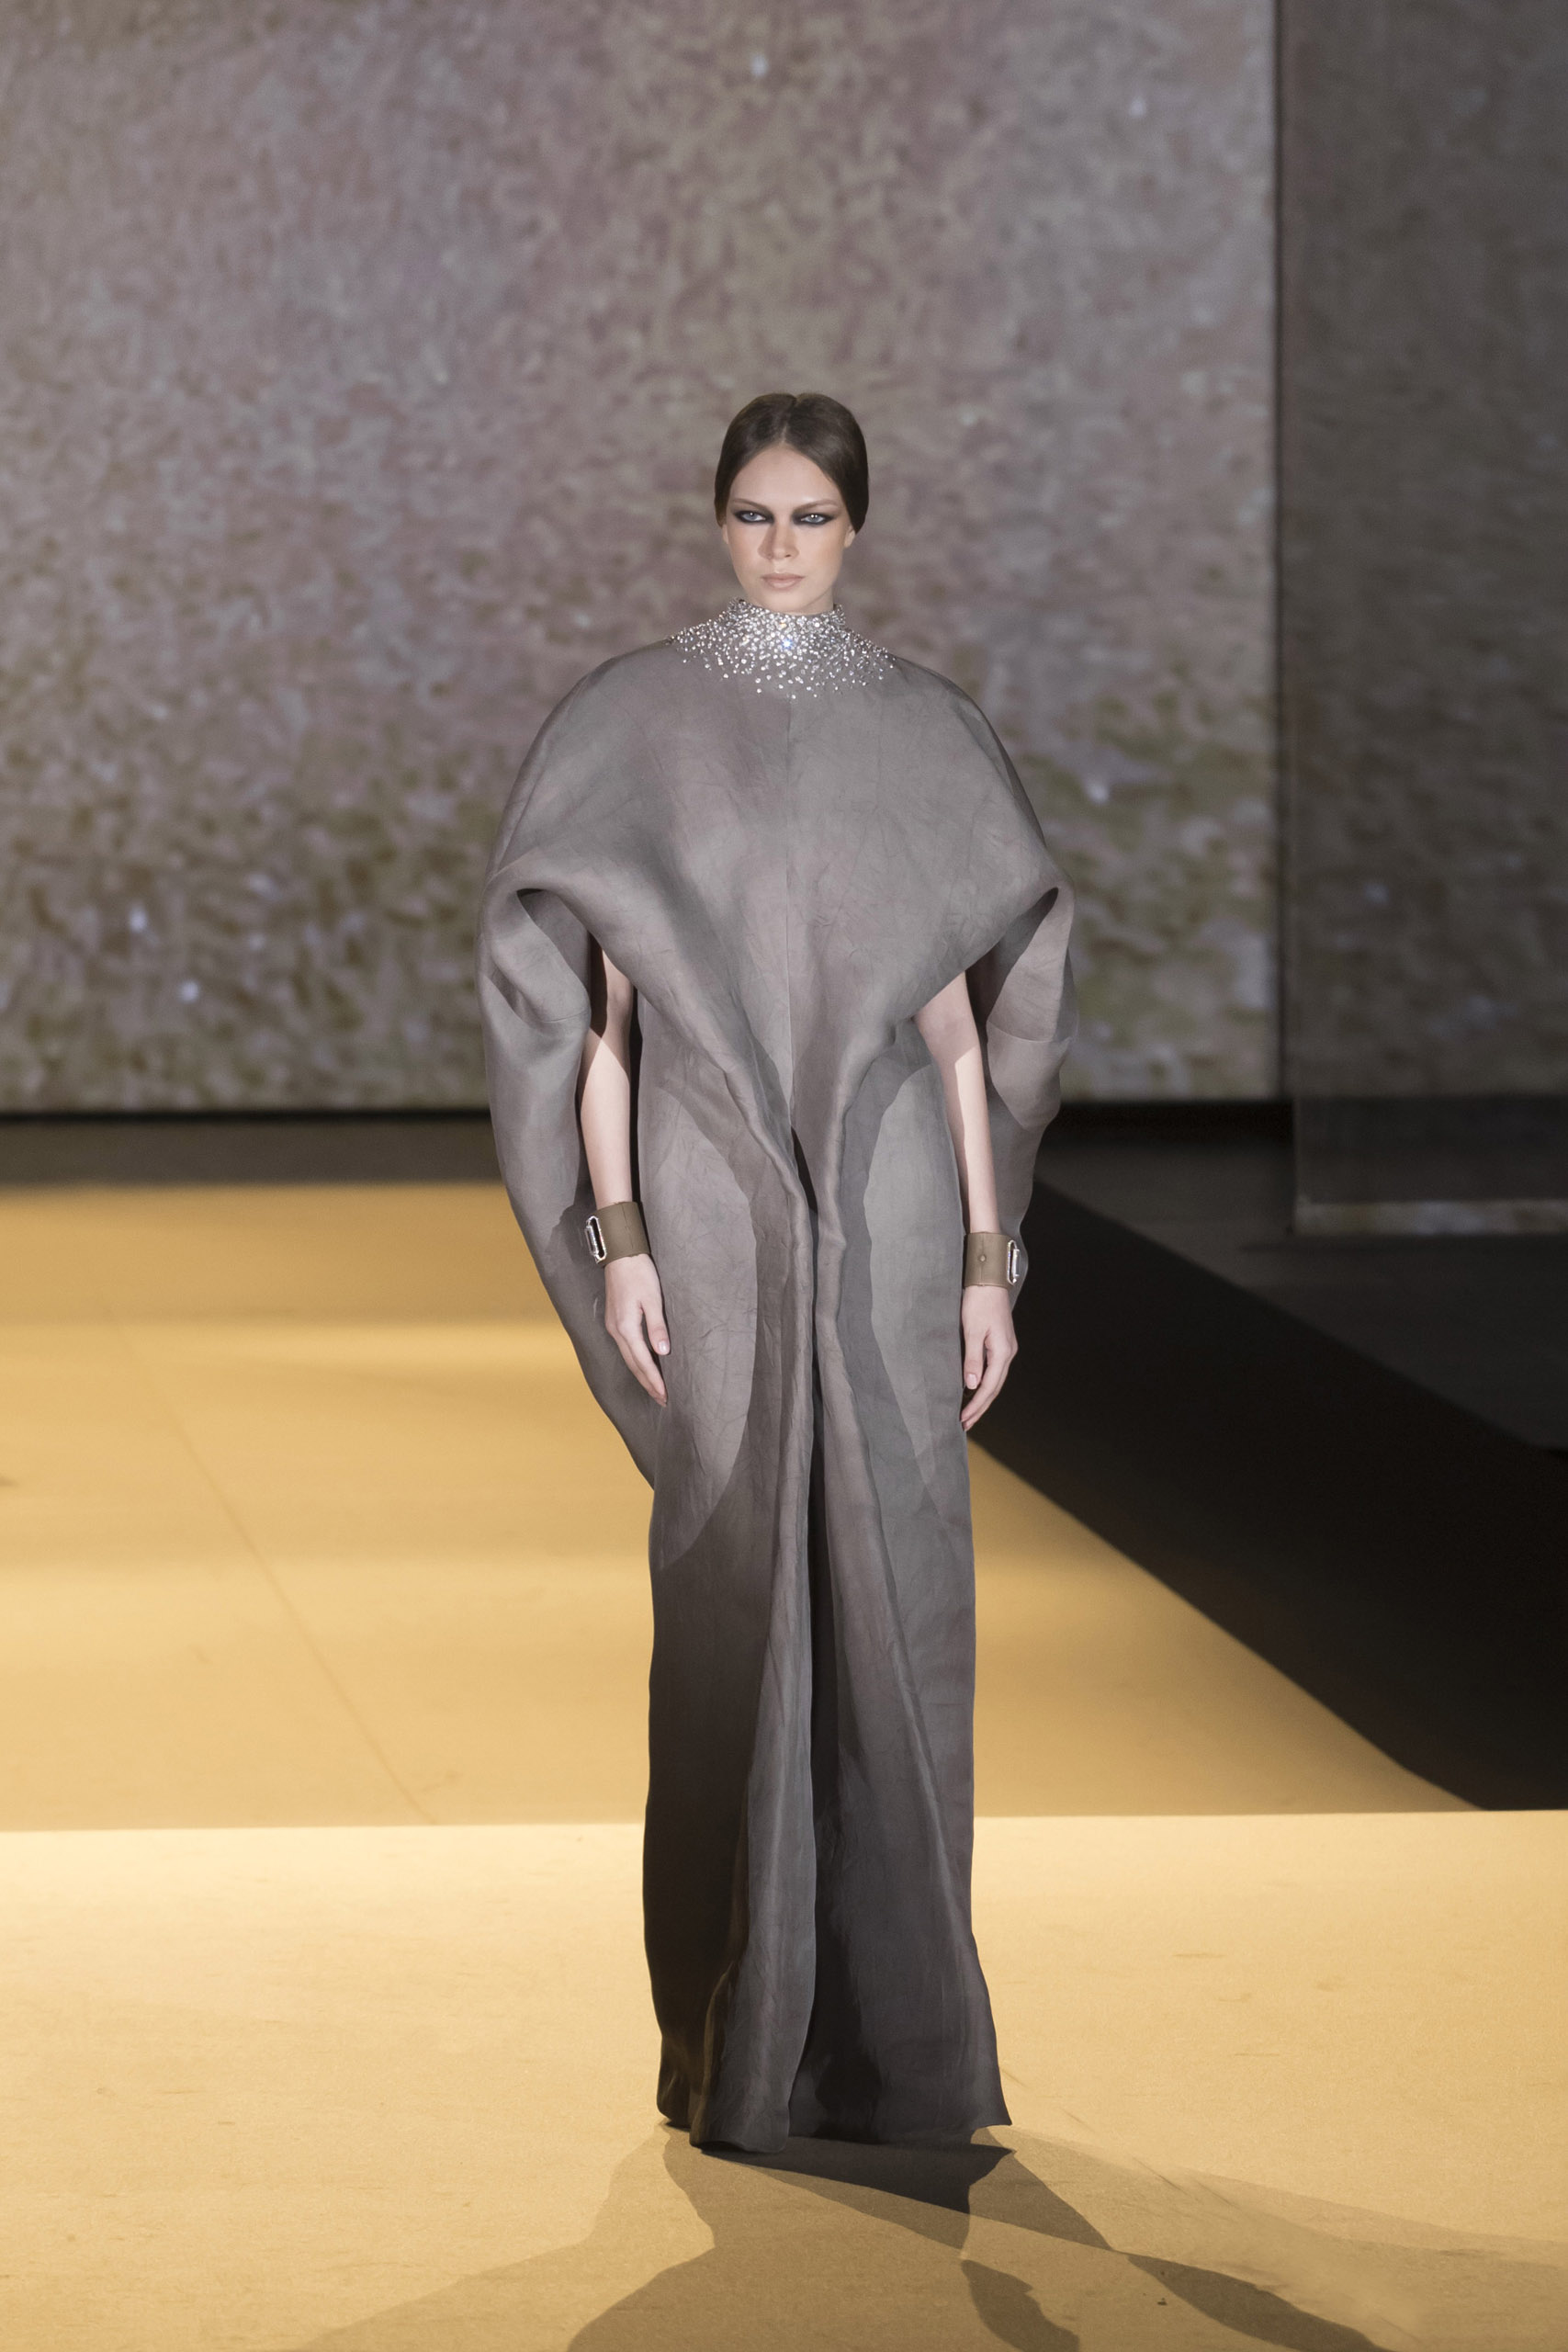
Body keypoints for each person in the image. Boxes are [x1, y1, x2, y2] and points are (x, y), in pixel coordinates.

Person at [479, 391, 1074, 2153]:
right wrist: (620, 1240)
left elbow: (964, 1031)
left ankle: (904, 2049)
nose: (782, 545)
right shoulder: (631, 721)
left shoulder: (922, 731)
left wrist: (988, 1257)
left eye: (812, 516)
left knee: (902, 1581)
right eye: (755, 513)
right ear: (716, 519)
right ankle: (737, 2037)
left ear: (857, 527)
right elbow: (598, 1025)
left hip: (890, 1194)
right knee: (728, 1575)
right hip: (713, 1197)